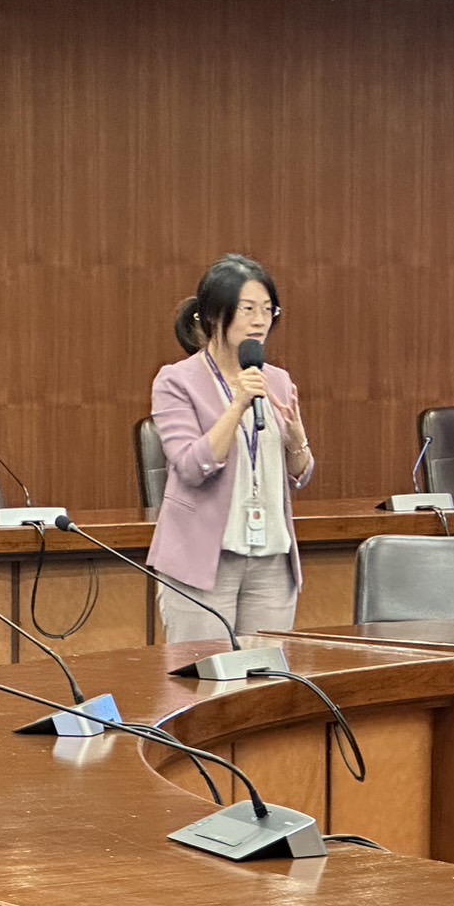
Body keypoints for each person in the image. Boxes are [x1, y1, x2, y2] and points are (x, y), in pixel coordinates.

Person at [146, 254, 313, 641]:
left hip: (271, 560)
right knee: (202, 672)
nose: (260, 321)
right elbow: (191, 467)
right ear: (213, 314)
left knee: (264, 674)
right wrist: (237, 406)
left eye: (268, 310)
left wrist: (297, 441)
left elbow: (299, 474)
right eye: (248, 309)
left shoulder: (277, 380)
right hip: (202, 561)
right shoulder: (176, 380)